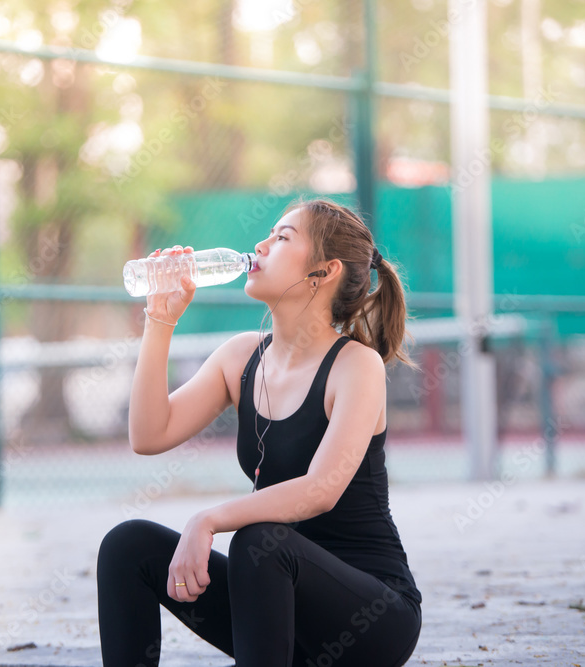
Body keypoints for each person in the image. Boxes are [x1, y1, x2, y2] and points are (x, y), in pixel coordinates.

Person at [97, 198, 422, 666]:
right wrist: (160, 319)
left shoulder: (355, 366)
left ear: (323, 272)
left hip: (368, 618)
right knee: (128, 546)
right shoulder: (242, 357)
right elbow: (149, 435)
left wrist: (207, 519)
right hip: (275, 609)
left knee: (258, 541)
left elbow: (320, 490)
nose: (261, 244)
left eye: (283, 237)